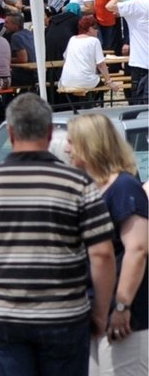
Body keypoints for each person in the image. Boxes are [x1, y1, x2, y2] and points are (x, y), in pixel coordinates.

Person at [0, 93, 116, 376]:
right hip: (64, 313)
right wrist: (101, 311)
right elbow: (102, 253)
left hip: (6, 314)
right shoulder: (77, 183)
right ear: (50, 131)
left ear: (9, 131)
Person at [67, 113, 148, 376]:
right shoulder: (90, 189)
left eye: (71, 141)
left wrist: (122, 306)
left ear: (90, 145)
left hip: (125, 318)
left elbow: (138, 249)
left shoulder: (124, 187)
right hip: (93, 314)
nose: (66, 148)